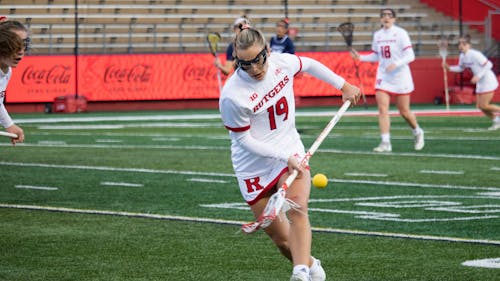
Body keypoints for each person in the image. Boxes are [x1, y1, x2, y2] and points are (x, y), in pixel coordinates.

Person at [219, 25, 360, 281]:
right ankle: (311, 266)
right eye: (245, 64)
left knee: (297, 209)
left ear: (268, 51)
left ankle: (300, 273)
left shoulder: (282, 64)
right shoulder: (232, 95)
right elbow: (244, 140)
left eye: (259, 60)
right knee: (283, 242)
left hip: (290, 149)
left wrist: (343, 85)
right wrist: (284, 158)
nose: (254, 69)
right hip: (253, 166)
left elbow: (309, 64)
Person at [350, 8, 424, 152]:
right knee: (382, 109)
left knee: (404, 111)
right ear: (380, 19)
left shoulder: (401, 33)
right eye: (383, 15)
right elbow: (376, 55)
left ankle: (417, 131)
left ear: (394, 19)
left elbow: (411, 55)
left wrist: (396, 64)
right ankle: (385, 142)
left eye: (389, 15)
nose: (386, 18)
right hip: (384, 76)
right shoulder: (377, 35)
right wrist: (361, 57)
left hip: (401, 77)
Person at [444, 34, 500, 130]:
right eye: (459, 43)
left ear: (469, 45)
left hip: (487, 81)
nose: (461, 46)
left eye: (464, 43)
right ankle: (497, 121)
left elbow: (489, 65)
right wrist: (450, 68)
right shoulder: (462, 56)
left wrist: (478, 76)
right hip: (480, 82)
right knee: (480, 106)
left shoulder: (475, 54)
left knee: (484, 105)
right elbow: (461, 68)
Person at [0, 20, 29, 145]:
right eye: (14, 44)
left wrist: (10, 125)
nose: (21, 51)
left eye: (23, 44)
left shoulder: (7, 71)